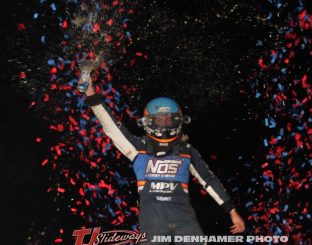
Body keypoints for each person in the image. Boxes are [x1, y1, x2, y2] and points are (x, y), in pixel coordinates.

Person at [80, 77, 245, 244]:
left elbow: (208, 179)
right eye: (160, 119)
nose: (165, 124)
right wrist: (91, 93)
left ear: (178, 120)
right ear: (149, 121)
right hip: (153, 223)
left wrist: (231, 210)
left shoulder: (186, 150)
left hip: (184, 221)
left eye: (169, 119)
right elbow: (111, 125)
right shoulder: (138, 147)